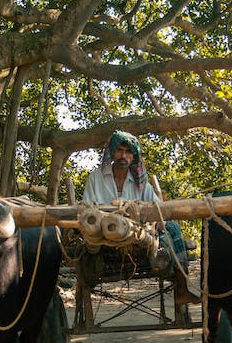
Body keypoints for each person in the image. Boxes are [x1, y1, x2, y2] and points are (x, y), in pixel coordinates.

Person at [82, 131, 199, 307]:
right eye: (120, 150)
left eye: (129, 152)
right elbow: (86, 210)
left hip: (140, 237)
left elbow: (158, 208)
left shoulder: (140, 181)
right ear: (112, 152)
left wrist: (159, 221)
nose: (124, 156)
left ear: (134, 157)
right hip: (103, 237)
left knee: (172, 228)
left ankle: (181, 290)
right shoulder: (96, 178)